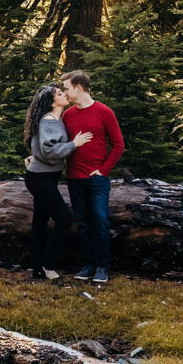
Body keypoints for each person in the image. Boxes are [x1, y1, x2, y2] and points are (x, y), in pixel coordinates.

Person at [59, 70, 123, 282]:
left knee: (101, 222)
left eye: (67, 88)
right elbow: (61, 144)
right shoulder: (68, 115)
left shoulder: (104, 111)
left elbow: (118, 144)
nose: (64, 93)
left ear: (78, 88)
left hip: (96, 180)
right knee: (83, 223)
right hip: (74, 178)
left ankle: (103, 267)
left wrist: (103, 171)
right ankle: (88, 265)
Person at [23, 84, 93, 279]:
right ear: (52, 101)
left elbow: (40, 148)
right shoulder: (49, 121)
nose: (64, 94)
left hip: (45, 177)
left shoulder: (55, 119)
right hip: (40, 178)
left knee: (40, 222)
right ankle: (48, 266)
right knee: (64, 219)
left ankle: (37, 269)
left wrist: (33, 156)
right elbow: (49, 151)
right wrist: (74, 144)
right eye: (60, 94)